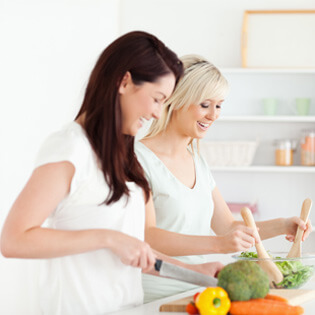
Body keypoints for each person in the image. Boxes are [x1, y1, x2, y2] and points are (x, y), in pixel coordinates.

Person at [0, 34, 224, 315]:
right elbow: (14, 240)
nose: (157, 113)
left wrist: (194, 270)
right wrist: (107, 238)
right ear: (125, 81)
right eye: (156, 99)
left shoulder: (123, 159)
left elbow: (131, 250)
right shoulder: (70, 148)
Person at [135, 54, 313, 302]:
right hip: (152, 296)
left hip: (194, 292)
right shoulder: (138, 158)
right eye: (205, 104)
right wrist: (218, 244)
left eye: (219, 105)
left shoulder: (197, 160)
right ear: (176, 100)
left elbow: (229, 228)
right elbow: (148, 235)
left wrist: (283, 225)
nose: (214, 115)